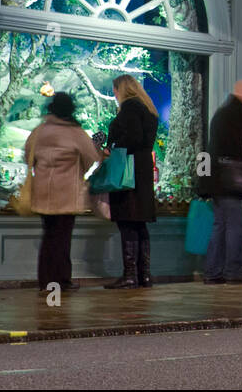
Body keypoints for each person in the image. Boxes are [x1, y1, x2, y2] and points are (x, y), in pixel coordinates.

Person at [24, 92, 104, 293]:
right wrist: (79, 170)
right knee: (62, 238)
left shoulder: (40, 131)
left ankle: (46, 281)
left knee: (49, 236)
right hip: (67, 193)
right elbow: (92, 156)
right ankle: (61, 280)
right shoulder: (75, 132)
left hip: (43, 193)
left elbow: (28, 156)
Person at [103, 75, 160, 289]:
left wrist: (112, 147)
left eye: (115, 90)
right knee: (140, 223)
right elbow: (143, 140)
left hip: (127, 171)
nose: (115, 95)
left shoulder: (129, 108)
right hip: (143, 170)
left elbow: (133, 138)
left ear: (120, 89)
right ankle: (143, 275)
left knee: (127, 220)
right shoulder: (149, 110)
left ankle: (129, 275)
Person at [203, 79, 242, 285]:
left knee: (220, 225)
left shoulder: (221, 113)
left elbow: (211, 150)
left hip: (218, 181)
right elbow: (235, 149)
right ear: (241, 93)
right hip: (230, 181)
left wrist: (205, 182)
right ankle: (233, 270)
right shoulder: (235, 115)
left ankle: (212, 271)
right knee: (234, 225)